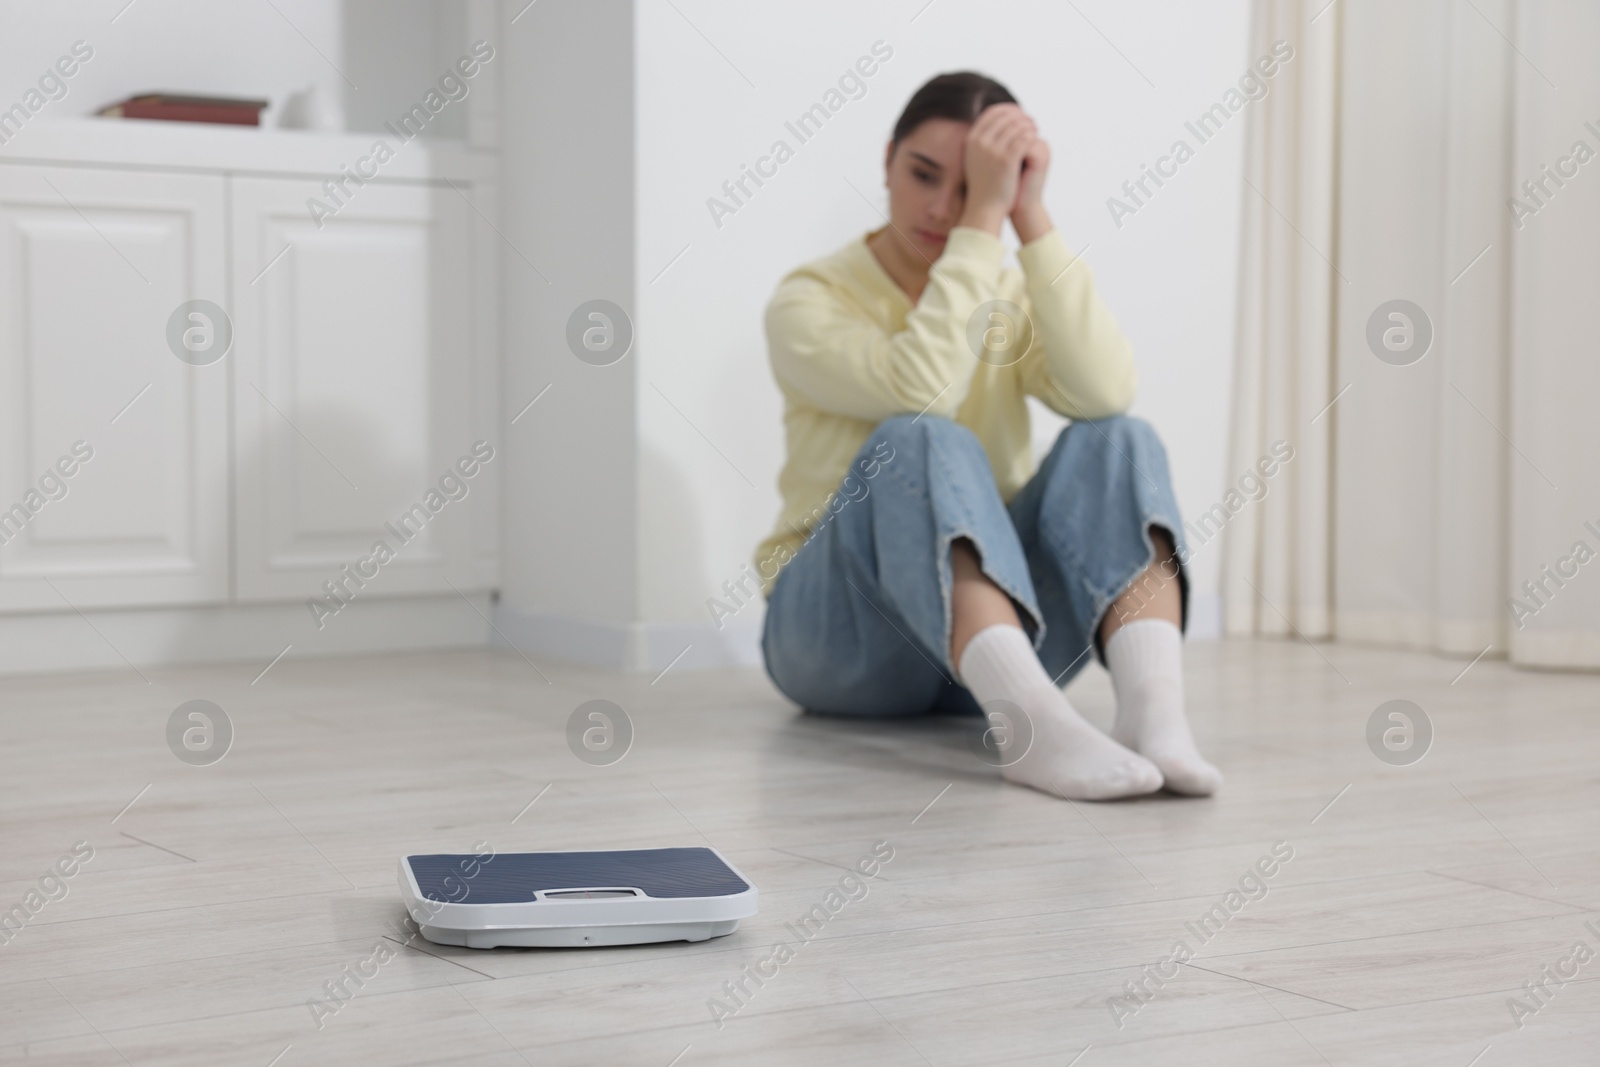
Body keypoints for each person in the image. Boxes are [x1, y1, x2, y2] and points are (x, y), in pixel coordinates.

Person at [754, 72, 1222, 801]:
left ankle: (1153, 714)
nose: (943, 208)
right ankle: (1032, 729)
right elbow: (921, 388)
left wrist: (1030, 217)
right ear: (886, 161)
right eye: (923, 175)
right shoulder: (810, 299)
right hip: (839, 638)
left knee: (1119, 437)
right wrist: (980, 230)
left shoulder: (1001, 292)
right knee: (919, 438)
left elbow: (1105, 392)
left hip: (992, 640)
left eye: (970, 189)